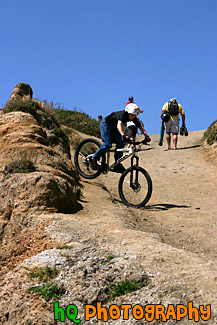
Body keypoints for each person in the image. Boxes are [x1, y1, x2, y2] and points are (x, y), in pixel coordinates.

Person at [90, 103, 150, 173]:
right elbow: (119, 125)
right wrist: (123, 135)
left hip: (114, 128)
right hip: (106, 125)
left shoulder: (133, 118)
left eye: (135, 115)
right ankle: (93, 158)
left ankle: (117, 165)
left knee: (121, 143)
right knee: (107, 145)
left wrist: (146, 136)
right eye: (132, 115)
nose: (133, 117)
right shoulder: (122, 114)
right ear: (128, 113)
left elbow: (140, 127)